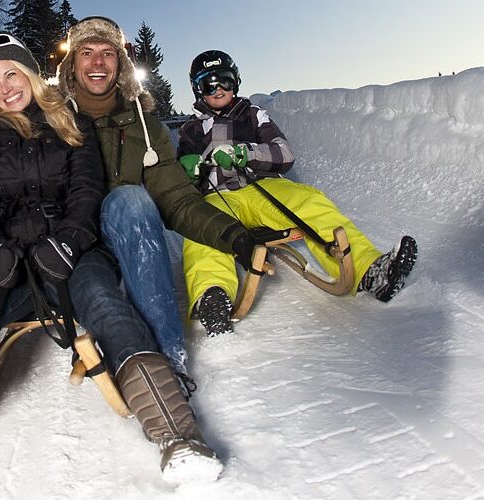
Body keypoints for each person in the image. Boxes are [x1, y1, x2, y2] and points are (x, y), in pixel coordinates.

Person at [0, 33, 222, 499]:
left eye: (11, 74)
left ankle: (180, 438)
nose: (5, 88)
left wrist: (70, 241)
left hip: (70, 255)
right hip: (5, 259)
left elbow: (88, 190)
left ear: (28, 72)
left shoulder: (68, 121)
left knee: (110, 310)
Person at [54, 17, 254, 380]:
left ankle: (168, 361)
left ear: (121, 64)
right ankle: (116, 339)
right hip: (69, 243)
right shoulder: (50, 120)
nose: (98, 63)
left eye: (107, 53)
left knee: (132, 200)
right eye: (87, 53)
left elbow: (176, 197)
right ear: (72, 65)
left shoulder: (143, 126)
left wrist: (233, 235)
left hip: (125, 232)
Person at [177, 50, 419, 335]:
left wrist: (246, 153)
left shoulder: (253, 115)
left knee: (309, 201)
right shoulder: (190, 130)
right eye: (209, 84)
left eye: (225, 82)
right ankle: (212, 295)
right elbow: (179, 184)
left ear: (236, 82)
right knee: (202, 227)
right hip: (219, 196)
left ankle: (369, 271)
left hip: (262, 186)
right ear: (197, 90)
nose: (218, 90)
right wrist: (187, 170)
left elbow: (284, 153)